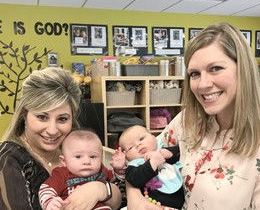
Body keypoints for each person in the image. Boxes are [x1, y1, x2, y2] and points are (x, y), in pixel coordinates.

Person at [126, 22, 260, 210]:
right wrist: (133, 195)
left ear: (243, 69)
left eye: (215, 68)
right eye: (194, 73)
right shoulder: (186, 121)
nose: (202, 84)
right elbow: (141, 163)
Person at [0, 67, 121, 210]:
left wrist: (99, 189)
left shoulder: (75, 148)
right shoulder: (8, 158)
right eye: (42, 117)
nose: (52, 130)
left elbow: (122, 194)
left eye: (62, 119)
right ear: (24, 115)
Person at [39, 129, 126, 210]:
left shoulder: (102, 171)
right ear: (64, 161)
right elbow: (46, 188)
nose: (87, 161)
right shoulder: (61, 174)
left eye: (93, 156)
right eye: (78, 156)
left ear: (101, 158)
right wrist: (50, 202)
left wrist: (119, 169)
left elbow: (118, 180)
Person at [118, 125, 184, 209]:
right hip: (151, 205)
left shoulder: (163, 148)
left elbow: (180, 154)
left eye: (141, 139)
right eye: (130, 147)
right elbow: (134, 180)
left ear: (154, 137)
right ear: (126, 156)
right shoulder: (134, 166)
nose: (138, 144)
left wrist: (167, 154)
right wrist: (152, 163)